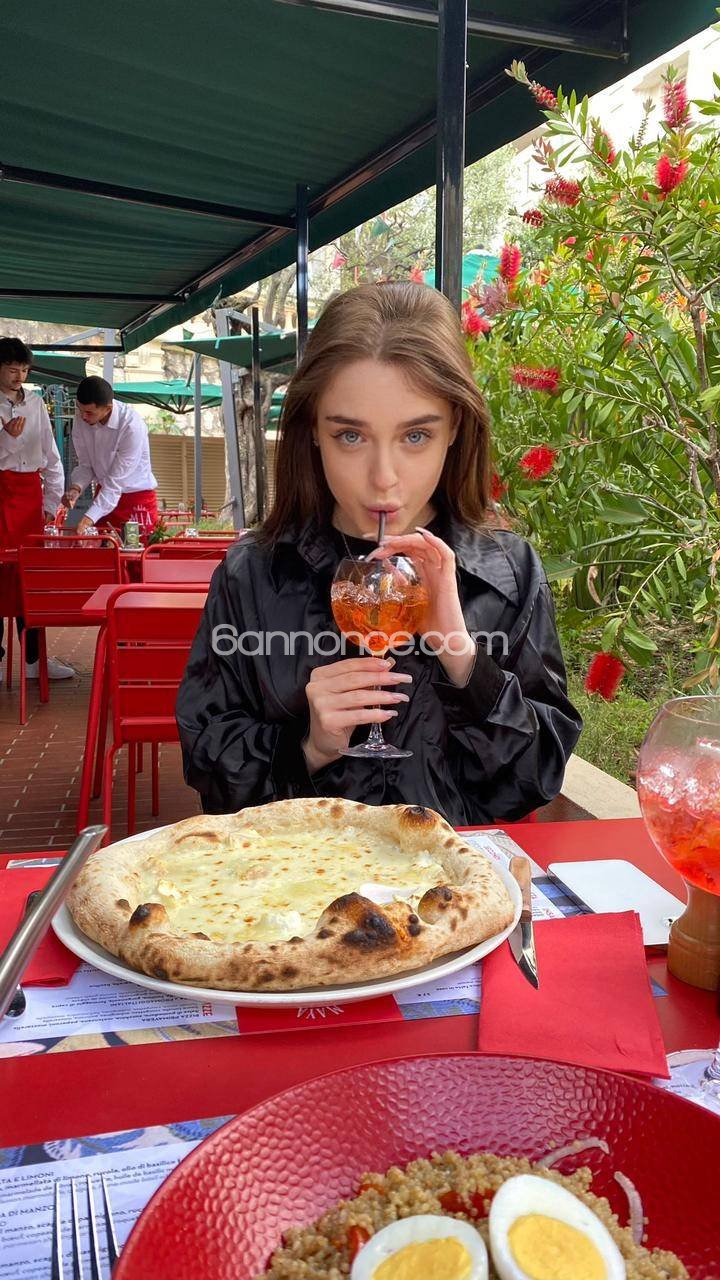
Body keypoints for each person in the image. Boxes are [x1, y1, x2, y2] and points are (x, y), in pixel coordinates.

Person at [177, 283, 582, 825]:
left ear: (455, 429)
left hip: (451, 872)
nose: (383, 478)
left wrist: (464, 660)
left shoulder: (508, 572)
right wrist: (309, 746)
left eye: (415, 436)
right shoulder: (253, 573)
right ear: (313, 431)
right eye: (351, 436)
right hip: (300, 871)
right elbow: (208, 765)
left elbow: (536, 777)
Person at [0, 337, 74, 681]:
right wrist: (6, 438)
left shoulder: (35, 403)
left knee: (31, 580)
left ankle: (35, 661)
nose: (19, 376)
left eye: (24, 370)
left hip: (30, 495)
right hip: (1, 492)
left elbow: (51, 455)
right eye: (11, 369)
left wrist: (50, 501)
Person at [60, 377, 158, 539]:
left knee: (137, 552)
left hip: (136, 497)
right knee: (100, 551)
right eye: (80, 409)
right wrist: (76, 488)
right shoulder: (82, 417)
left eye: (89, 412)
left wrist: (88, 519)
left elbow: (115, 483)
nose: (83, 417)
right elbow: (86, 464)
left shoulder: (131, 426)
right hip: (104, 494)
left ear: (107, 409)